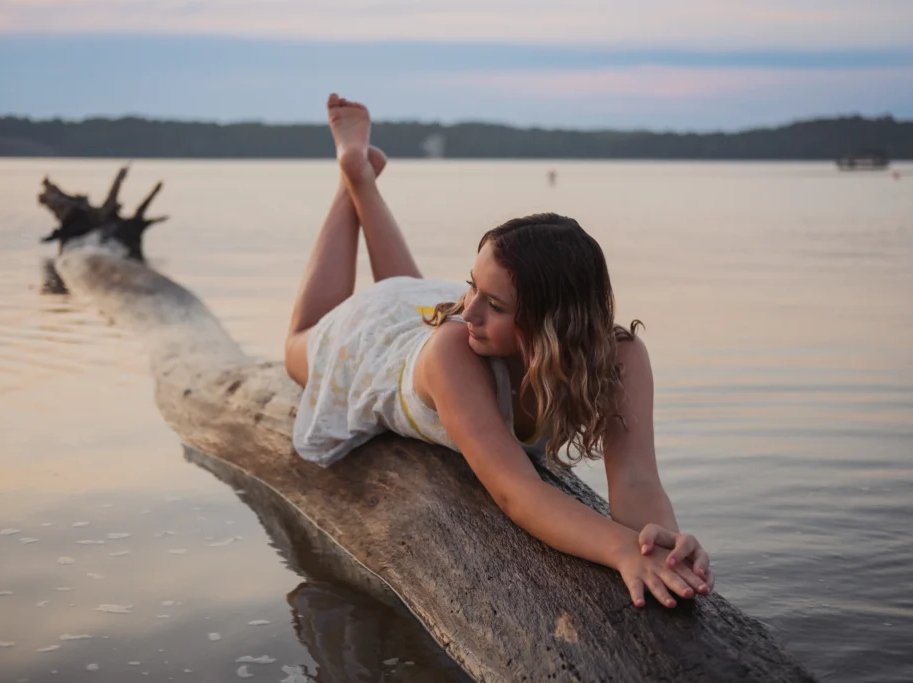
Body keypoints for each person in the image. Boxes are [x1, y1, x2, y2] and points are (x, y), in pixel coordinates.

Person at [284, 94, 714, 609]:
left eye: (495, 303)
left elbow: (638, 477)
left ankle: (363, 179)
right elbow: (517, 491)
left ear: (549, 325)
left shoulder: (621, 358)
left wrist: (659, 544)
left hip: (423, 312)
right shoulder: (458, 345)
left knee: (410, 289)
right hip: (373, 346)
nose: (471, 310)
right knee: (299, 343)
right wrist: (620, 550)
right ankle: (351, 176)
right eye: (473, 287)